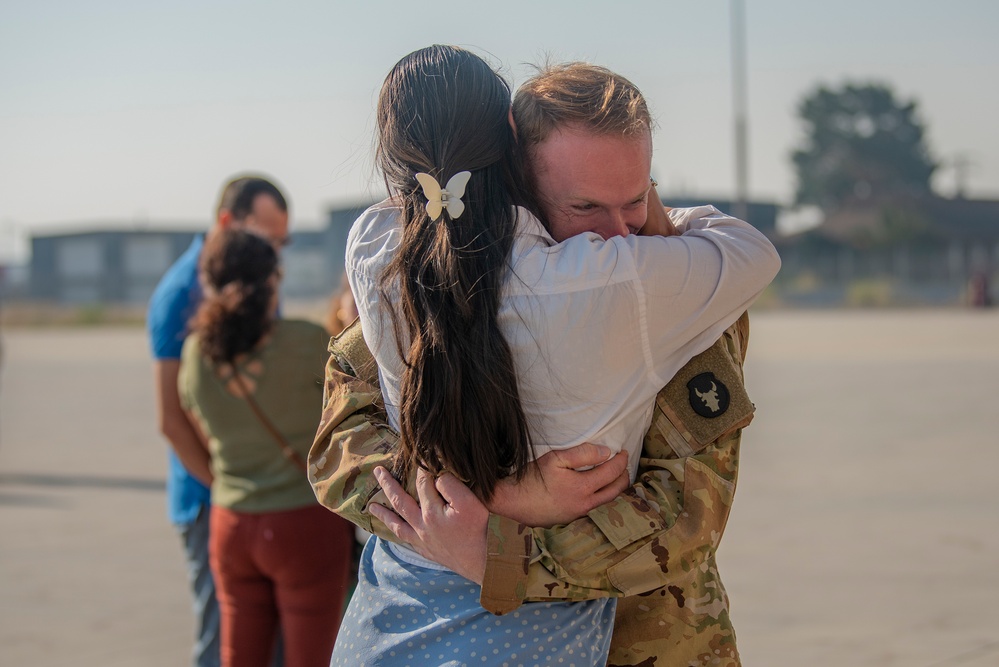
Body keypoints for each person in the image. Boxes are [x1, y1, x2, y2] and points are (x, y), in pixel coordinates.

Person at [320, 45, 779, 667]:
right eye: (584, 207)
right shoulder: (436, 292)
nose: (621, 234)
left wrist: (493, 549)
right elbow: (340, 449)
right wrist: (497, 498)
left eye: (636, 198)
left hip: (656, 636)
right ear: (516, 178)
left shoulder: (685, 296)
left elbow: (689, 509)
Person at [179, 228, 354, 667]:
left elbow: (198, 427)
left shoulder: (196, 353)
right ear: (274, 279)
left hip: (231, 523)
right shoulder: (306, 341)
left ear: (209, 283)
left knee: (240, 654)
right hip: (303, 522)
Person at [147, 175, 290, 667]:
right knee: (224, 641)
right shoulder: (181, 295)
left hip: (263, 494)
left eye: (280, 241)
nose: (275, 251)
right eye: (265, 236)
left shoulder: (259, 279)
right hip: (213, 500)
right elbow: (172, 418)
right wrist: (231, 491)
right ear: (228, 223)